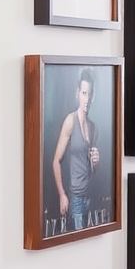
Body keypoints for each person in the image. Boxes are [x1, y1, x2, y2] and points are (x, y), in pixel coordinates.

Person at [52, 68, 100, 231]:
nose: (87, 99)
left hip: (91, 197)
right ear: (77, 94)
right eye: (84, 93)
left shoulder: (93, 127)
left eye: (90, 94)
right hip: (76, 198)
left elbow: (92, 171)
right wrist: (62, 195)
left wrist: (96, 162)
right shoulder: (70, 122)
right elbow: (56, 161)